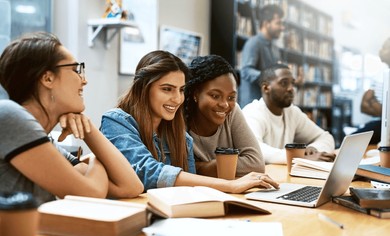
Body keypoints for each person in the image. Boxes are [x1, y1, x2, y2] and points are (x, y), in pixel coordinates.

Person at [100, 50, 279, 193]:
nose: (177, 99)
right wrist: (231, 186)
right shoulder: (116, 122)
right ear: (143, 88)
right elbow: (148, 172)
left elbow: (190, 189)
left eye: (181, 90)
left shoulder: (178, 134)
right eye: (167, 89)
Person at [0, 32, 143, 205]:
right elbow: (91, 194)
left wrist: (88, 129)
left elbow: (130, 186)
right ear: (48, 78)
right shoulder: (8, 116)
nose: (84, 80)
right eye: (76, 70)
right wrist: (97, 157)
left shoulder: (46, 142)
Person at [184, 54, 265, 178]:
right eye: (215, 96)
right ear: (195, 94)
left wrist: (202, 167)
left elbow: (256, 164)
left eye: (231, 97)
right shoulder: (180, 117)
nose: (225, 104)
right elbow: (178, 169)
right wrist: (225, 166)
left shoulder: (232, 112)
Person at [242, 63, 336, 164]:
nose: (291, 89)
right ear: (266, 88)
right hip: (259, 177)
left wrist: (313, 148)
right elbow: (255, 150)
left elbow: (326, 137)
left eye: (293, 83)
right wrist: (300, 158)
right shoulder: (253, 112)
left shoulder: (292, 112)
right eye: (284, 83)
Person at [239, 4, 284, 107]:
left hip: (270, 106)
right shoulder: (253, 43)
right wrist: (271, 77)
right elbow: (246, 71)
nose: (282, 28)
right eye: (278, 23)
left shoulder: (275, 48)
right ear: (266, 23)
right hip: (253, 108)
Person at [353, 37, 390, 144]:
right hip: (382, 124)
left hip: (384, 124)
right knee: (352, 140)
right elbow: (364, 107)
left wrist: (379, 108)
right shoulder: (380, 76)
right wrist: (381, 110)